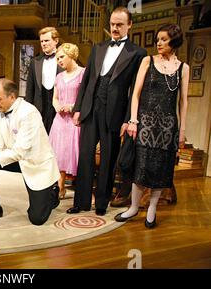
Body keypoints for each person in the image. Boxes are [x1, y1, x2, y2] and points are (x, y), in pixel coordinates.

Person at [67, 7, 147, 216]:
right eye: (112, 24)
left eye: (120, 24)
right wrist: (78, 109)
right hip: (90, 108)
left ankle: (102, 203)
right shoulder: (98, 47)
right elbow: (86, 81)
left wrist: (130, 119)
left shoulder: (138, 53)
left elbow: (134, 91)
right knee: (84, 156)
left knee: (109, 160)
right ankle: (81, 202)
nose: (115, 28)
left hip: (115, 112)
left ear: (129, 25)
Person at [114, 24, 189, 228]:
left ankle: (152, 208)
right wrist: (133, 120)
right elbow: (135, 94)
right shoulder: (148, 60)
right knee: (141, 167)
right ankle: (134, 208)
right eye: (158, 39)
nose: (159, 43)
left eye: (164, 39)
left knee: (161, 170)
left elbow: (183, 102)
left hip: (167, 127)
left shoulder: (184, 68)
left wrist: (182, 130)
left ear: (174, 41)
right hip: (145, 123)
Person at [0, 78, 60, 226]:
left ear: (12, 96)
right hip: (17, 158)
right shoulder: (0, 112)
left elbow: (20, 152)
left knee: (37, 219)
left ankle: (52, 191)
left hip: (35, 164)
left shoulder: (29, 113)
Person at [48, 43, 85, 199]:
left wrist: (72, 107)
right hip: (60, 120)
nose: (59, 61)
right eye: (57, 58)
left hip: (75, 119)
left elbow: (86, 97)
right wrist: (57, 106)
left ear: (71, 54)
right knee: (58, 154)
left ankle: (81, 189)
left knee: (73, 153)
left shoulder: (84, 73)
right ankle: (60, 185)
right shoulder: (59, 77)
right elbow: (55, 98)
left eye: (61, 57)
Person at [25, 27, 63, 133]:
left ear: (56, 41)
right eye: (41, 41)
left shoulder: (65, 60)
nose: (43, 43)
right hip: (40, 106)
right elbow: (30, 89)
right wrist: (28, 111)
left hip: (58, 106)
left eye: (46, 40)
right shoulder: (35, 62)